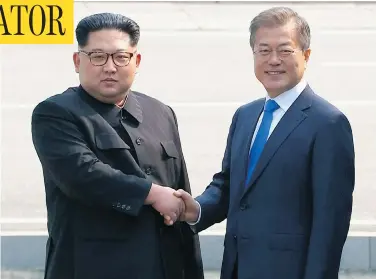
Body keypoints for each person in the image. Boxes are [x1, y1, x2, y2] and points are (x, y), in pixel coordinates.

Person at [168, 6, 355, 279]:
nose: (274, 60)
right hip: (237, 268)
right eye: (264, 50)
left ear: (306, 55)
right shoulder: (246, 115)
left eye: (285, 50)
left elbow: (330, 224)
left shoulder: (328, 124)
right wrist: (196, 208)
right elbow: (229, 185)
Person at [31, 13, 203, 279]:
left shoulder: (160, 112)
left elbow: (180, 190)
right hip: (92, 268)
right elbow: (83, 175)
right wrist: (153, 193)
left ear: (136, 61)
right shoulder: (55, 113)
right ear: (78, 61)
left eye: (121, 57)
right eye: (98, 56)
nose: (110, 67)